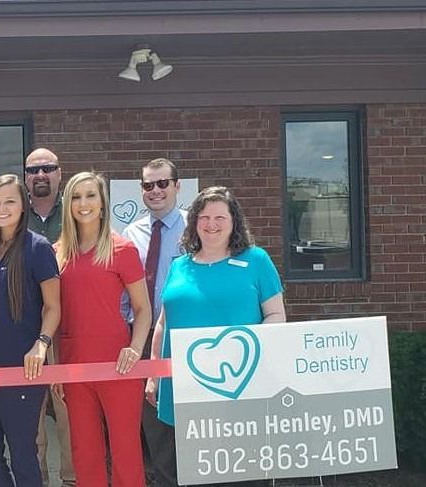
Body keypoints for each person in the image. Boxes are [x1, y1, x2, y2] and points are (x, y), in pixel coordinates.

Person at [148, 186, 286, 427]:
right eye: (204, 217)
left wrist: (246, 346)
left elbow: (276, 315)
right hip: (182, 384)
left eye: (220, 217)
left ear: (234, 222)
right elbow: (162, 323)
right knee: (183, 460)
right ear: (194, 222)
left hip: (239, 378)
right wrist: (154, 375)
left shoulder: (256, 260)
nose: (211, 224)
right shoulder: (178, 266)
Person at [0, 174, 61, 487]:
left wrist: (41, 344)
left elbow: (53, 307)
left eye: (10, 201)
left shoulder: (39, 248)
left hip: (23, 369)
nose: (2, 209)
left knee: (22, 454)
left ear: (23, 206)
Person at [56, 172, 150, 487]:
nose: (84, 204)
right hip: (73, 365)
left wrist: (135, 348)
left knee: (125, 450)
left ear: (102, 202)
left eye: (90, 195)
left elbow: (142, 309)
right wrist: (56, 367)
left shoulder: (122, 249)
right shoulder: (58, 253)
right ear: (68, 204)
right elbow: (53, 313)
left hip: (118, 364)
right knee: (85, 452)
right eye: (76, 197)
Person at [119, 158, 186, 487]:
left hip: (186, 337)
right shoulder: (131, 234)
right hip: (143, 339)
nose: (156, 191)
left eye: (163, 183)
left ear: (178, 185)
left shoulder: (196, 229)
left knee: (190, 423)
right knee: (155, 423)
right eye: (148, 185)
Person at [23, 148, 75, 487]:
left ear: (59, 173)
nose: (41, 174)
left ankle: (73, 479)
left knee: (71, 416)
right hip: (28, 328)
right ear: (26, 176)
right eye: (34, 169)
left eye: (48, 168)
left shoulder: (75, 212)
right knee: (30, 420)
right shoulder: (12, 213)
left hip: (71, 327)